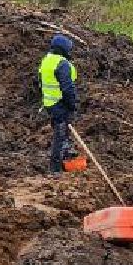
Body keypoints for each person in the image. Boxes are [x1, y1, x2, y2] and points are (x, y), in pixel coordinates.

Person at [38, 33, 77, 172]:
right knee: (60, 134)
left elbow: (40, 82)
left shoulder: (47, 60)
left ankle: (64, 161)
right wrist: (72, 105)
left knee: (62, 132)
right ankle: (55, 169)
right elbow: (67, 87)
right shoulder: (62, 64)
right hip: (60, 104)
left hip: (50, 103)